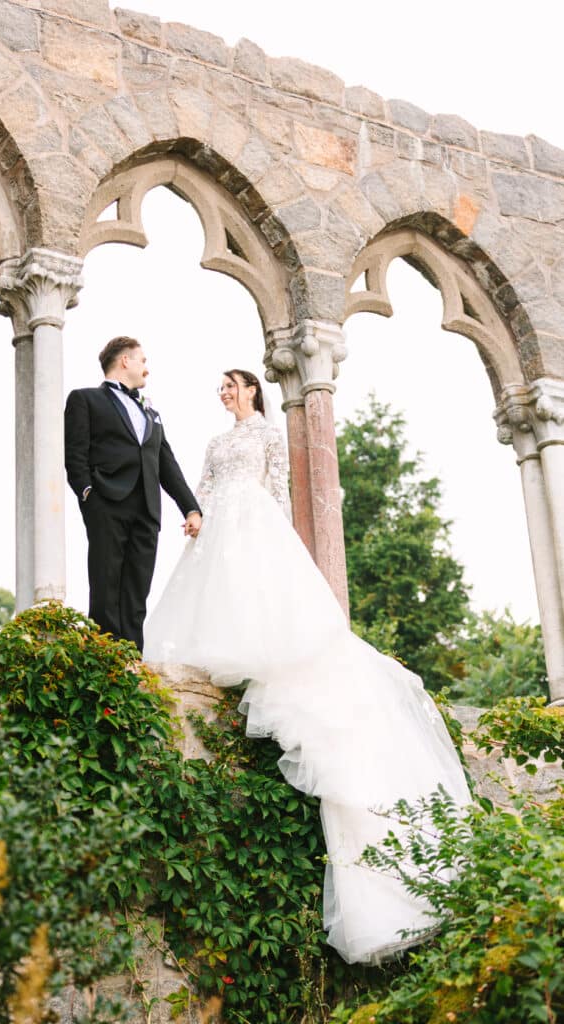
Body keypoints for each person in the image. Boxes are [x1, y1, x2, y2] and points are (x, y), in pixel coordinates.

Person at [144, 368, 471, 965]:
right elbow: (205, 486)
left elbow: (275, 485)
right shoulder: (217, 443)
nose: (222, 393)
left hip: (257, 524)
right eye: (219, 387)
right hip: (220, 525)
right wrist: (197, 518)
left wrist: (261, 530)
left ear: (249, 389)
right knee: (207, 596)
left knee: (261, 597)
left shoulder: (267, 433)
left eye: (230, 385)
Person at [64, 336, 202, 652]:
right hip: (106, 502)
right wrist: (88, 494)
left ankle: (131, 658)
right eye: (143, 360)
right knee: (106, 581)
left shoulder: (151, 412)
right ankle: (104, 660)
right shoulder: (84, 400)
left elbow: (167, 464)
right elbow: (75, 454)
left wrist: (190, 509)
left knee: (137, 589)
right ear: (125, 360)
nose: (146, 369)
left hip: (147, 509)